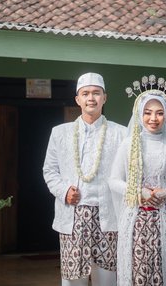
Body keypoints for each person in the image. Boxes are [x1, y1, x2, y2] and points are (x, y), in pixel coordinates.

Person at [109, 75, 166, 286]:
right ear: (139, 114)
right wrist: (141, 192)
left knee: (164, 272)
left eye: (159, 113)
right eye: (147, 113)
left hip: (165, 219)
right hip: (135, 220)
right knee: (137, 274)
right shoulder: (129, 144)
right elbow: (113, 180)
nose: (153, 118)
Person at [43, 72, 127, 286]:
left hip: (108, 216)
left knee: (107, 278)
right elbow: (49, 170)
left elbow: (131, 172)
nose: (91, 98)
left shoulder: (122, 134)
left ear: (105, 98)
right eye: (86, 93)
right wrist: (64, 191)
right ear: (77, 99)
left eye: (96, 93)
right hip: (73, 216)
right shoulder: (60, 133)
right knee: (73, 280)